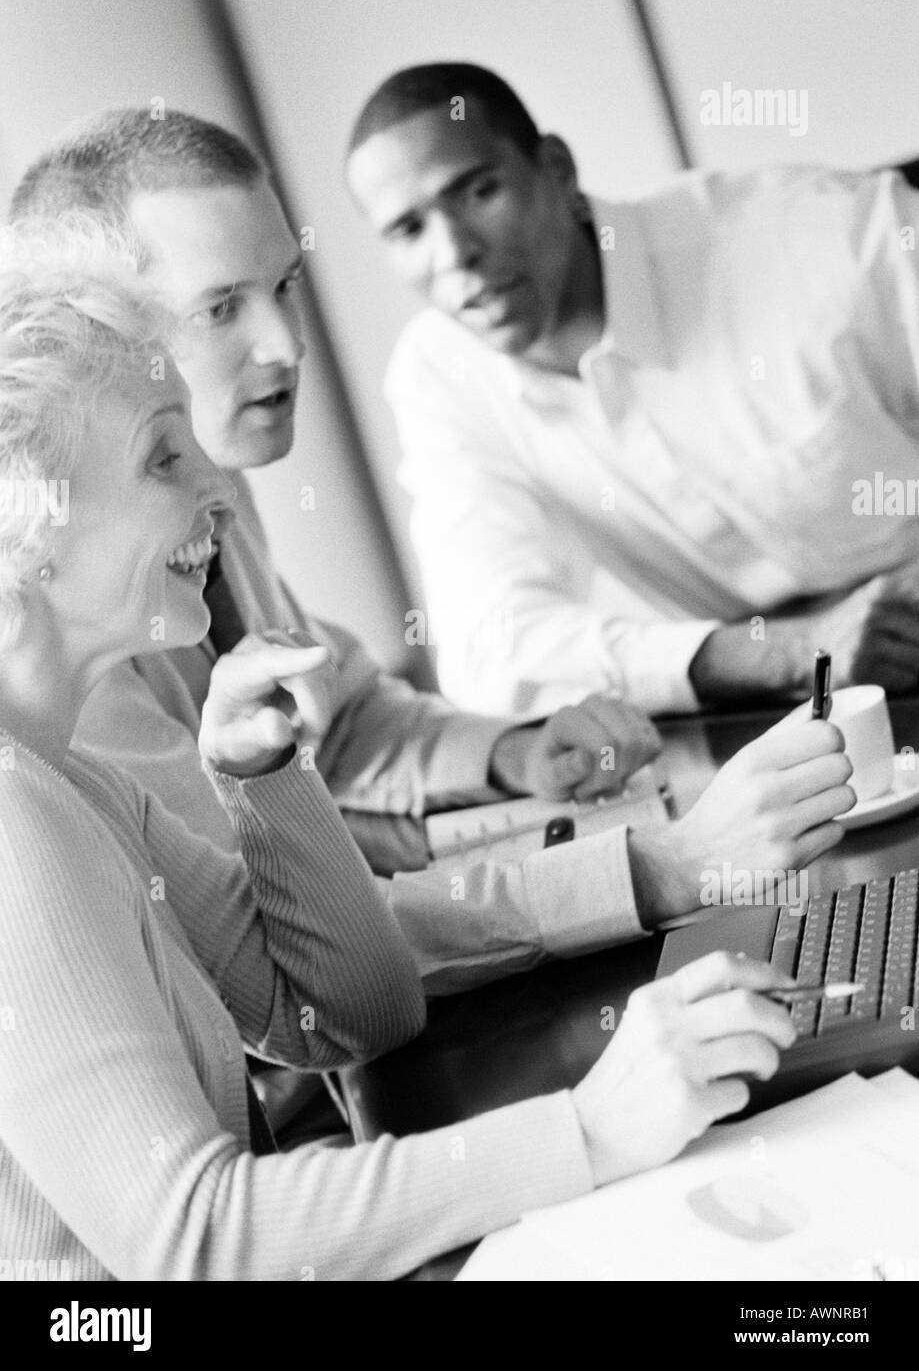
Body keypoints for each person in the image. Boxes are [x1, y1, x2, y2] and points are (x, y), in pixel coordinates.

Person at [0, 220, 807, 1279]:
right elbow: (192, 1239)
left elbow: (349, 1010)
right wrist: (591, 1129)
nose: (214, 489)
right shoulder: (17, 819)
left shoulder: (75, 778)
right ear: (27, 530)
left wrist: (264, 777)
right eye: (162, 455)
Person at [10, 109, 854, 1017]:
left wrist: (513, 752)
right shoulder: (75, 616)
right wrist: (661, 869)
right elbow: (283, 948)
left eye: (284, 286)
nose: (287, 345)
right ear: (91, 333)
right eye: (221, 307)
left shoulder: (211, 490)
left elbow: (338, 719)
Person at [346, 62, 919, 720]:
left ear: (555, 169)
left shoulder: (826, 234)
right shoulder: (441, 376)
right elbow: (488, 651)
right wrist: (790, 652)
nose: (453, 254)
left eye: (478, 192)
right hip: (781, 709)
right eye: (408, 230)